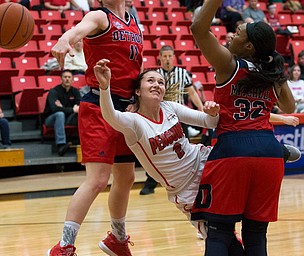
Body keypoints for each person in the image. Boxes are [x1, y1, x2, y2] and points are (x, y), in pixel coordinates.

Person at [94, 59, 301, 253]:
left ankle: (277, 152)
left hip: (203, 161)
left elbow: (211, 123)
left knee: (231, 150)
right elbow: (110, 116)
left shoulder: (170, 107)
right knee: (222, 239)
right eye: (150, 81)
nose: (157, 84)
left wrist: (212, 112)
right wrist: (105, 87)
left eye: (161, 81)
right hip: (185, 188)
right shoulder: (134, 122)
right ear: (138, 90)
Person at [191, 0, 296, 253]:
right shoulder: (271, 73)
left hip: (233, 151)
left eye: (238, 33)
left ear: (249, 46)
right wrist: (277, 70)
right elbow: (290, 107)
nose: (232, 34)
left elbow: (197, 27)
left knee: (218, 232)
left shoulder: (229, 64)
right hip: (270, 155)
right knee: (256, 234)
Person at [47, 0, 143, 255]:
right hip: (100, 104)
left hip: (126, 109)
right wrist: (65, 39)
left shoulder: (134, 21)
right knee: (98, 179)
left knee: (126, 177)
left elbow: (135, 68)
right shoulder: (100, 17)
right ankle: (64, 246)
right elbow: (79, 29)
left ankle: (117, 239)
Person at [139, 45, 204, 196]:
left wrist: (200, 108)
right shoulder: (156, 75)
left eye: (170, 56)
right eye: (165, 56)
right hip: (159, 117)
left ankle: (190, 180)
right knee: (157, 151)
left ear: (173, 57)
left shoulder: (183, 73)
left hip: (178, 117)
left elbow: (192, 93)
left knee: (185, 149)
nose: (167, 59)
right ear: (160, 58)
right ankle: (150, 183)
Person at [43, 69, 80, 156]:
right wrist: (71, 109)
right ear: (61, 79)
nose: (67, 79)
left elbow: (79, 107)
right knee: (60, 114)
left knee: (81, 114)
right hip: (51, 119)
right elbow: (54, 109)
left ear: (72, 79)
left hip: (68, 118)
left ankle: (82, 142)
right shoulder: (54, 91)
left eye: (69, 77)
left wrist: (62, 108)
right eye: (65, 77)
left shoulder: (75, 91)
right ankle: (61, 145)